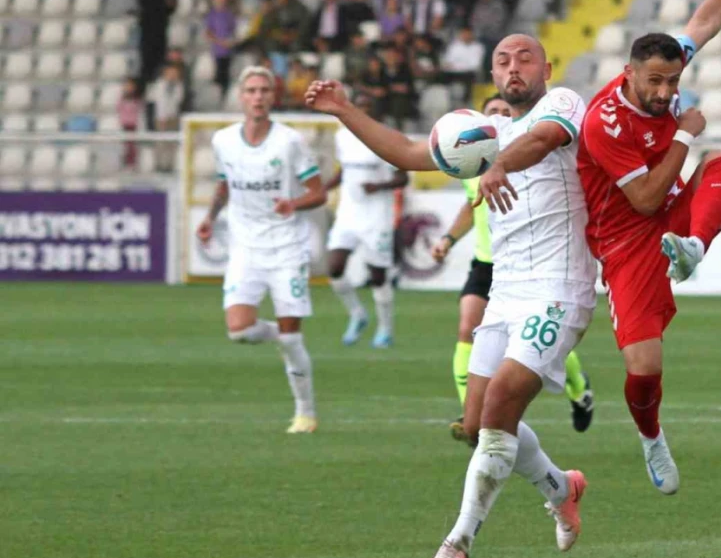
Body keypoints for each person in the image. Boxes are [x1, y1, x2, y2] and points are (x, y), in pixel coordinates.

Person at [305, 33, 593, 557]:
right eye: (503, 61)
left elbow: (546, 139)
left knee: (504, 399)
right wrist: (343, 109)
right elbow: (410, 152)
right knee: (483, 420)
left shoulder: (562, 104)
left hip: (558, 287)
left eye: (525, 58)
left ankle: (458, 543)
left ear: (546, 67)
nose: (514, 67)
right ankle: (561, 488)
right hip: (504, 292)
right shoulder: (484, 135)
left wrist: (501, 162)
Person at [577, 0, 721, 496]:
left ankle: (694, 247)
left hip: (672, 222)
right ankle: (651, 438)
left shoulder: (666, 77)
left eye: (673, 81)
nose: (667, 92)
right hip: (625, 241)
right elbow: (642, 199)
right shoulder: (604, 123)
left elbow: (707, 20)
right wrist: (684, 137)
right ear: (628, 74)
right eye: (655, 82)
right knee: (643, 368)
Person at [433, 95, 594, 441]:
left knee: (532, 348)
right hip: (488, 263)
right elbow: (468, 205)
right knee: (466, 328)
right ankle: (470, 414)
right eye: (492, 113)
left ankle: (578, 388)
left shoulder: (531, 154)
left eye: (505, 114)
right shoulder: (470, 163)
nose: (499, 119)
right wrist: (447, 238)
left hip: (534, 268)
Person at [196, 66, 327, 434]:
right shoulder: (223, 141)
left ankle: (306, 412)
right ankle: (281, 335)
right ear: (241, 97)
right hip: (246, 249)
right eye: (251, 90)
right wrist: (210, 216)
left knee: (293, 338)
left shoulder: (289, 142)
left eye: (264, 90)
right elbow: (224, 184)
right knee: (238, 330)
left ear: (273, 96)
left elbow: (318, 192)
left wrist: (293, 204)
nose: (257, 96)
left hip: (287, 248)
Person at [325, 125, 407, 349]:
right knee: (334, 267)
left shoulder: (384, 137)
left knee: (377, 276)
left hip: (377, 216)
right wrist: (325, 187)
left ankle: (385, 329)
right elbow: (345, 171)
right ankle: (357, 314)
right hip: (348, 213)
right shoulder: (342, 136)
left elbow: (403, 178)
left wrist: (379, 186)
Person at [137, 0, 177, 84]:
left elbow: (172, 6)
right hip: (147, 29)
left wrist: (160, 4)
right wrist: (162, 3)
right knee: (147, 60)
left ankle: (158, 83)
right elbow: (146, 4)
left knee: (160, 59)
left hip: (161, 28)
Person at [205, 0, 238, 95]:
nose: (221, 1)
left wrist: (230, 42)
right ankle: (217, 96)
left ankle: (225, 95)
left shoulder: (229, 14)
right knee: (218, 74)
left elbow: (233, 31)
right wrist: (219, 42)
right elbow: (208, 33)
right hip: (217, 50)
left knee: (226, 74)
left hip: (228, 49)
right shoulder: (211, 15)